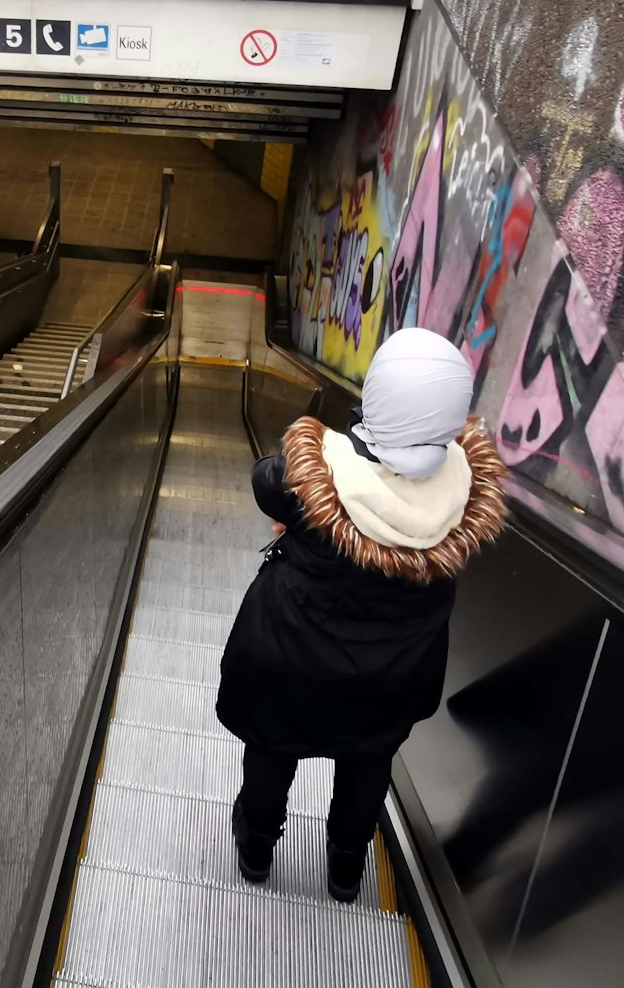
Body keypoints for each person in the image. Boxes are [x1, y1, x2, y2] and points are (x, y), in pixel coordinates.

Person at [216, 328, 508, 901]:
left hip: (290, 658)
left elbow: (264, 480)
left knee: (273, 749)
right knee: (368, 764)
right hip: (393, 675)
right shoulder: (464, 495)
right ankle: (347, 869)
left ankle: (255, 850)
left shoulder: (307, 480)